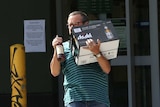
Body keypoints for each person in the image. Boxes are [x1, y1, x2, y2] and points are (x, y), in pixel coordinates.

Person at [50, 11, 111, 107]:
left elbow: (107, 69)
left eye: (77, 24)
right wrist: (55, 50)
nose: (73, 27)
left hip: (98, 97)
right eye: (70, 25)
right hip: (74, 99)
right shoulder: (64, 47)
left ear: (86, 24)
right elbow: (54, 72)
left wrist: (96, 52)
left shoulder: (98, 44)